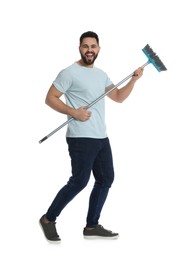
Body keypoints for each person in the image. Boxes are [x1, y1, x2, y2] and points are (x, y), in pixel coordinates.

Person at [39, 31, 144, 242]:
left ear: (98, 49)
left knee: (106, 179)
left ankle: (91, 226)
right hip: (80, 137)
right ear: (79, 48)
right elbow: (50, 98)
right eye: (85, 46)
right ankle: (48, 219)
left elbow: (118, 97)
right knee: (79, 181)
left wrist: (133, 81)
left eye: (93, 46)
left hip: (101, 137)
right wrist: (73, 112)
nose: (89, 50)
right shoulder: (69, 72)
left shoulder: (101, 74)